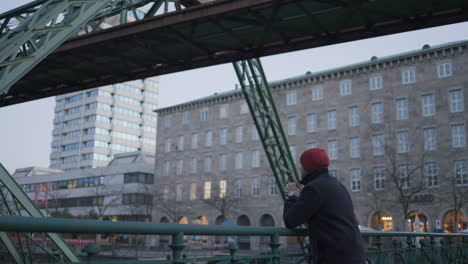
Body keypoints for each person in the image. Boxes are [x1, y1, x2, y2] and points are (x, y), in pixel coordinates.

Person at [283, 148, 365, 264]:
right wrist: (300, 195)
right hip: (355, 255)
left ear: (307, 168)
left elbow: (290, 220)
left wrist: (291, 195)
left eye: (302, 166)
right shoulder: (338, 185)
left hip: (335, 257)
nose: (300, 169)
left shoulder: (313, 188)